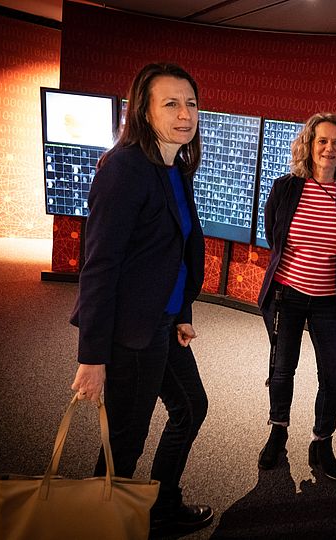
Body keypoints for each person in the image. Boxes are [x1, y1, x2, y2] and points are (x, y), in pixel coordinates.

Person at [70, 62, 213, 536]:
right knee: (124, 442)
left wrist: (182, 311)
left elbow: (172, 251)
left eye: (190, 102)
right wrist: (91, 356)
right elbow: (100, 264)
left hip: (163, 321)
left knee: (191, 407)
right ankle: (96, 527)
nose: (184, 112)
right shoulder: (125, 168)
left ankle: (160, 506)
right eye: (170, 102)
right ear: (142, 111)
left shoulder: (175, 166)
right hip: (129, 332)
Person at [257, 113, 336, 483]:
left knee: (333, 374)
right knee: (282, 369)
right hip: (286, 294)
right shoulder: (285, 188)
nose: (329, 148)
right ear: (309, 145)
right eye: (322, 141)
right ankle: (278, 431)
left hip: (329, 302)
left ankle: (322, 441)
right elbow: (276, 237)